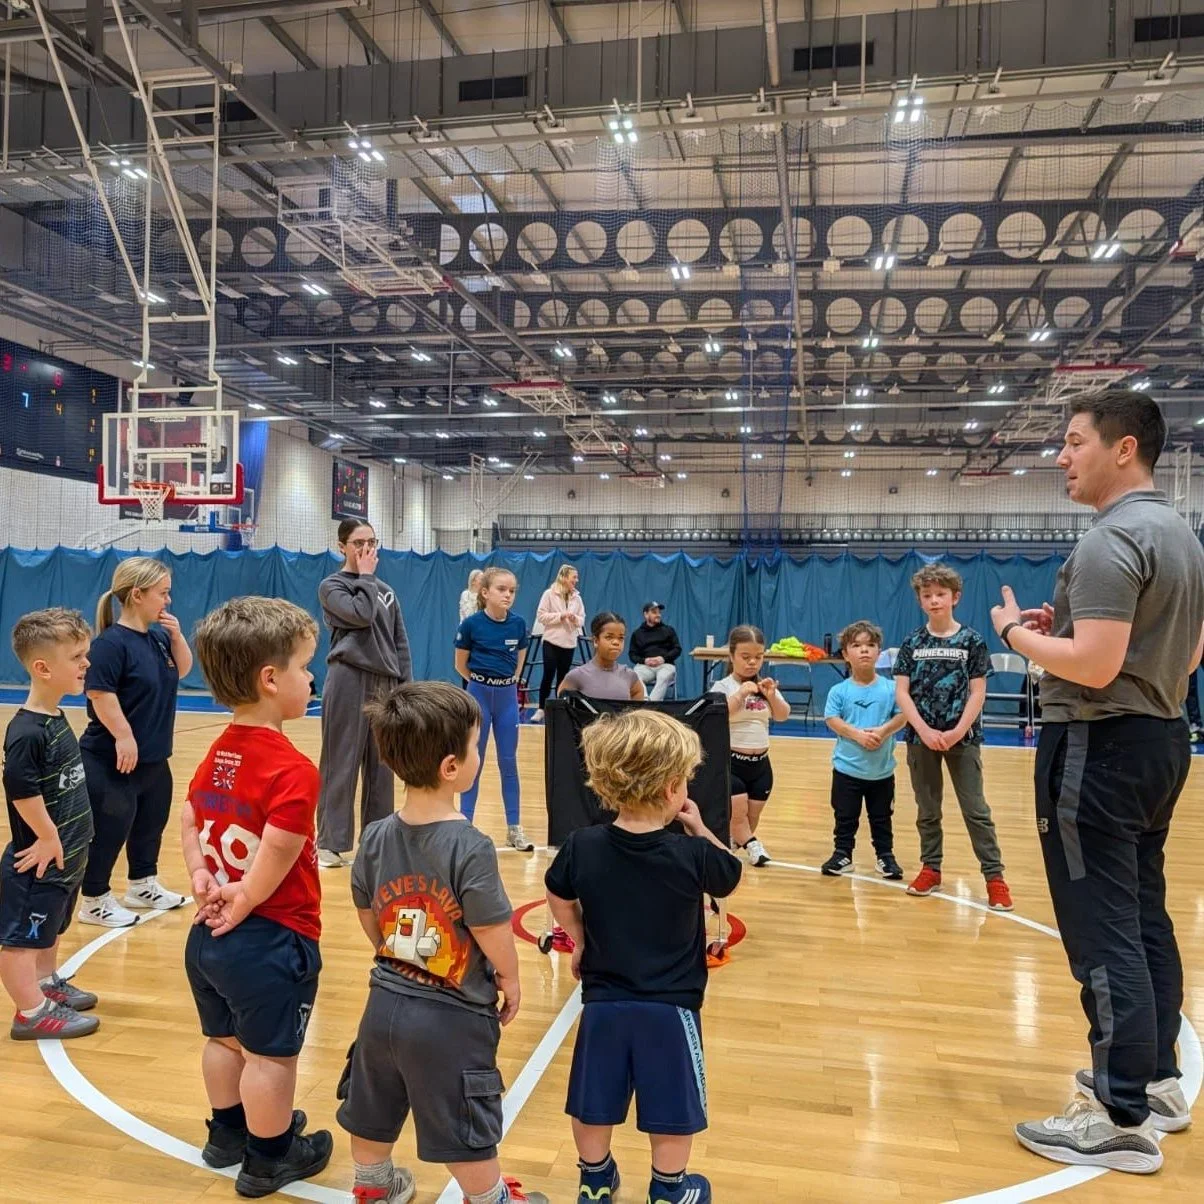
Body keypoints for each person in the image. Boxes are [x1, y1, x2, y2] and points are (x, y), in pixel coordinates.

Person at [991, 393, 1204, 1173]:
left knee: (1102, 928)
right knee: (1144, 913)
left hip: (1099, 748)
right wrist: (1072, 633)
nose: (1061, 455)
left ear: (1123, 449)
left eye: (1074, 441)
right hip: (1158, 741)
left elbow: (1097, 665)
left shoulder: (1114, 539)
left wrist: (1016, 635)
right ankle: (1157, 1081)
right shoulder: (1180, 534)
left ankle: (1118, 1114)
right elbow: (1180, 658)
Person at [336, 681, 546, 1204]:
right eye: (476, 746)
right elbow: (492, 927)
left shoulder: (377, 833)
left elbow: (367, 911)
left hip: (382, 1003)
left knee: (373, 1101)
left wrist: (393, 952)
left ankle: (373, 1187)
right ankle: (490, 1197)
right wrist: (511, 975)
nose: (480, 755)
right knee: (461, 1116)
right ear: (452, 767)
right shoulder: (470, 845)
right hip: (450, 1016)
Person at [545, 708, 741, 1204]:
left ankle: (593, 1181)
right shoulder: (691, 854)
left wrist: (580, 937)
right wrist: (698, 827)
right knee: (672, 1102)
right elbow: (729, 874)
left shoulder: (582, 845)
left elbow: (557, 894)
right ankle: (670, 1190)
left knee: (593, 1101)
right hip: (671, 1007)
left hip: (604, 1002)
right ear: (675, 787)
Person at [181, 597, 332, 1198]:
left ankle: (227, 1135)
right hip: (270, 939)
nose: (312, 677)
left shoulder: (216, 751)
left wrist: (201, 878)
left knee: (222, 1040)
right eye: (304, 666)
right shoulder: (293, 769)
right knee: (272, 1058)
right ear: (270, 680)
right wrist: (244, 898)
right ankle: (270, 1157)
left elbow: (191, 818)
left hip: (207, 937)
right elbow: (276, 851)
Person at [1, 608, 99, 1040]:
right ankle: (30, 1011)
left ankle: (45, 983)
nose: (86, 664)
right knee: (22, 937)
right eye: (77, 656)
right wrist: (46, 837)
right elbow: (22, 791)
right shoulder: (25, 731)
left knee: (52, 925)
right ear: (42, 668)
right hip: (39, 859)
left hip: (67, 853)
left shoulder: (55, 718)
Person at [893, 564, 1013, 912]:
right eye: (927, 595)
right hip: (921, 738)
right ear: (920, 600)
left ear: (955, 597)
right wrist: (924, 730)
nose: (934, 600)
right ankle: (931, 868)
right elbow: (902, 693)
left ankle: (995, 878)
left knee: (976, 810)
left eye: (940, 594)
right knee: (927, 809)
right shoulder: (912, 642)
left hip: (964, 738)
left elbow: (978, 692)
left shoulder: (972, 640)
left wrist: (959, 730)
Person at [78, 557, 190, 928]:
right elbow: (99, 693)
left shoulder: (158, 637)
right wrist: (123, 736)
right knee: (110, 829)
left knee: (150, 823)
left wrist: (176, 635)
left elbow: (182, 669)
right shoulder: (110, 644)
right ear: (137, 595)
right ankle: (94, 900)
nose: (168, 601)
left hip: (155, 757)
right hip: (111, 760)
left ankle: (142, 884)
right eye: (163, 593)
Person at [317, 519, 412, 869]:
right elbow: (360, 614)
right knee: (341, 761)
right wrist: (366, 578)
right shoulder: (332, 586)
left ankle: (375, 840)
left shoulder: (386, 590)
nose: (367, 549)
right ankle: (330, 842)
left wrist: (405, 690)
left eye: (372, 541)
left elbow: (399, 642)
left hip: (385, 683)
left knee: (382, 767)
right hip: (348, 680)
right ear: (342, 546)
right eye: (359, 543)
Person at [454, 567, 533, 852]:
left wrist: (508, 681)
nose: (508, 595)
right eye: (502, 589)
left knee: (508, 762)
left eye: (512, 590)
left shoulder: (518, 624)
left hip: (507, 698)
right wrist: (480, 681)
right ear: (484, 593)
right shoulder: (471, 625)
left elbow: (520, 659)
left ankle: (514, 828)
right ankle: (465, 827)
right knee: (473, 760)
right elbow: (460, 664)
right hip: (478, 696)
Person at [821, 620, 907, 880]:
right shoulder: (839, 690)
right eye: (856, 645)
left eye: (870, 645)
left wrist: (883, 731)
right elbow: (831, 719)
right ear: (846, 654)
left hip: (881, 773)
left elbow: (903, 715)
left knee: (881, 818)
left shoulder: (892, 689)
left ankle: (885, 857)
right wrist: (857, 735)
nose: (864, 650)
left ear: (879, 651)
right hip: (847, 770)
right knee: (845, 816)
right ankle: (842, 854)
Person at [708, 625, 789, 867]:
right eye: (745, 657)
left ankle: (732, 849)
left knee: (751, 818)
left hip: (761, 765)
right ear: (732, 656)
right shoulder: (723, 686)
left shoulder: (765, 686)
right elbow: (719, 715)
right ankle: (754, 846)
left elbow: (783, 715)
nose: (752, 662)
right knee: (738, 815)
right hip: (731, 762)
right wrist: (740, 695)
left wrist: (772, 696)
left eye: (758, 656)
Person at [533, 565, 585, 721]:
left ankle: (560, 709)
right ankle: (541, 708)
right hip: (551, 640)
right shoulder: (549, 594)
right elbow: (541, 616)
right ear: (563, 577)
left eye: (576, 577)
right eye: (573, 577)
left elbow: (582, 618)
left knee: (563, 677)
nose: (576, 580)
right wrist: (561, 616)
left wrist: (576, 619)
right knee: (548, 673)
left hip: (569, 643)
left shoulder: (578, 597)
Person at [560, 612, 646, 702]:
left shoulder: (629, 676)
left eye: (621, 638)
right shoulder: (576, 676)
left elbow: (638, 706)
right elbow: (561, 710)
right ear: (596, 641)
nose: (616, 642)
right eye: (609, 637)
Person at [629, 602, 682, 702]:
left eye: (659, 612)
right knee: (634, 675)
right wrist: (644, 660)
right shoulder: (637, 633)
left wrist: (663, 658)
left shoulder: (668, 630)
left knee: (664, 676)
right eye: (654, 612)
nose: (658, 615)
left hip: (665, 665)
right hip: (645, 666)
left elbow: (677, 649)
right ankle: (644, 701)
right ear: (645, 614)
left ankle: (651, 706)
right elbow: (632, 654)